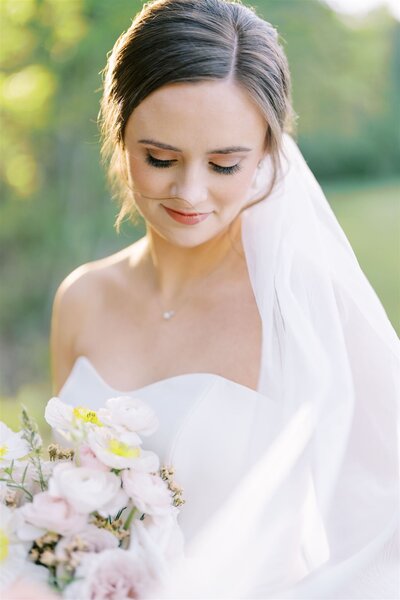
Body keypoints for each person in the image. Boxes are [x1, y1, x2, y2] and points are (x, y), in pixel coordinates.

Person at [49, 0, 399, 598]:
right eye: (159, 158)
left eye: (224, 164)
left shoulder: (305, 308)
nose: (190, 191)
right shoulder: (82, 298)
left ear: (267, 151)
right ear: (119, 130)